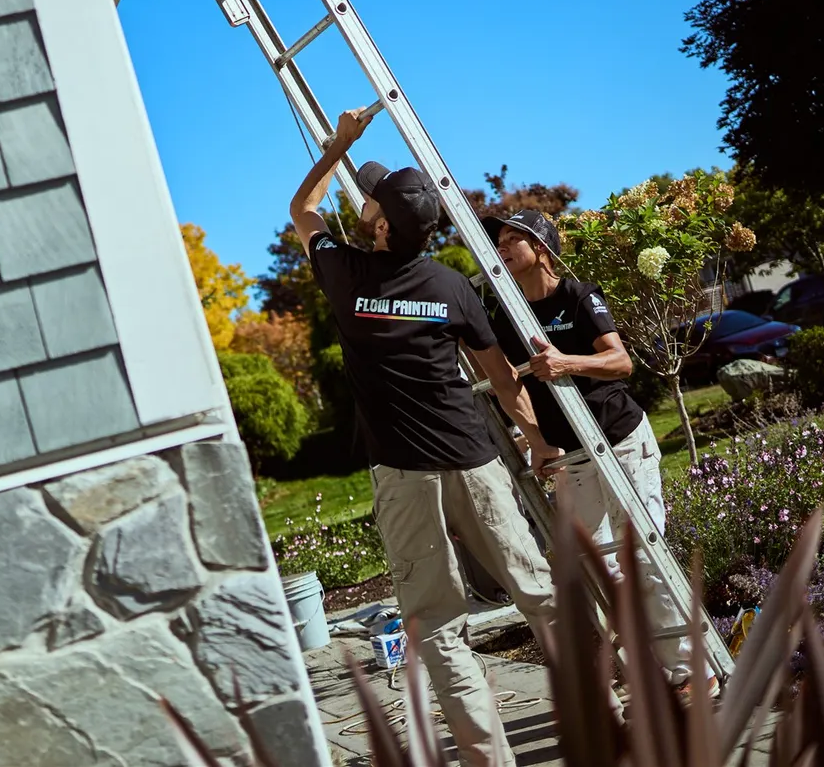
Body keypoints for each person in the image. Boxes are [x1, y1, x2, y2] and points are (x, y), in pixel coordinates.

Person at [292, 108, 557, 767]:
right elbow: (501, 379)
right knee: (541, 592)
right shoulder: (449, 285)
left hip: (407, 477)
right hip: (476, 461)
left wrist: (340, 144)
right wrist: (538, 443)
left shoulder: (346, 276)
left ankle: (488, 761)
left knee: (437, 626)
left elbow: (304, 206)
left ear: (383, 227)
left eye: (374, 199)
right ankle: (603, 720)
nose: (366, 198)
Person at [480, 208, 713, 698]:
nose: (499, 247)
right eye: (496, 240)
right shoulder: (508, 315)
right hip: (571, 455)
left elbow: (620, 361)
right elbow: (509, 385)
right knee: (596, 568)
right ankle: (652, 672)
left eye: (510, 238)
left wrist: (568, 362)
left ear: (541, 247)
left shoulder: (578, 295)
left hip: (621, 440)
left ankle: (695, 674)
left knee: (644, 556)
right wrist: (536, 439)